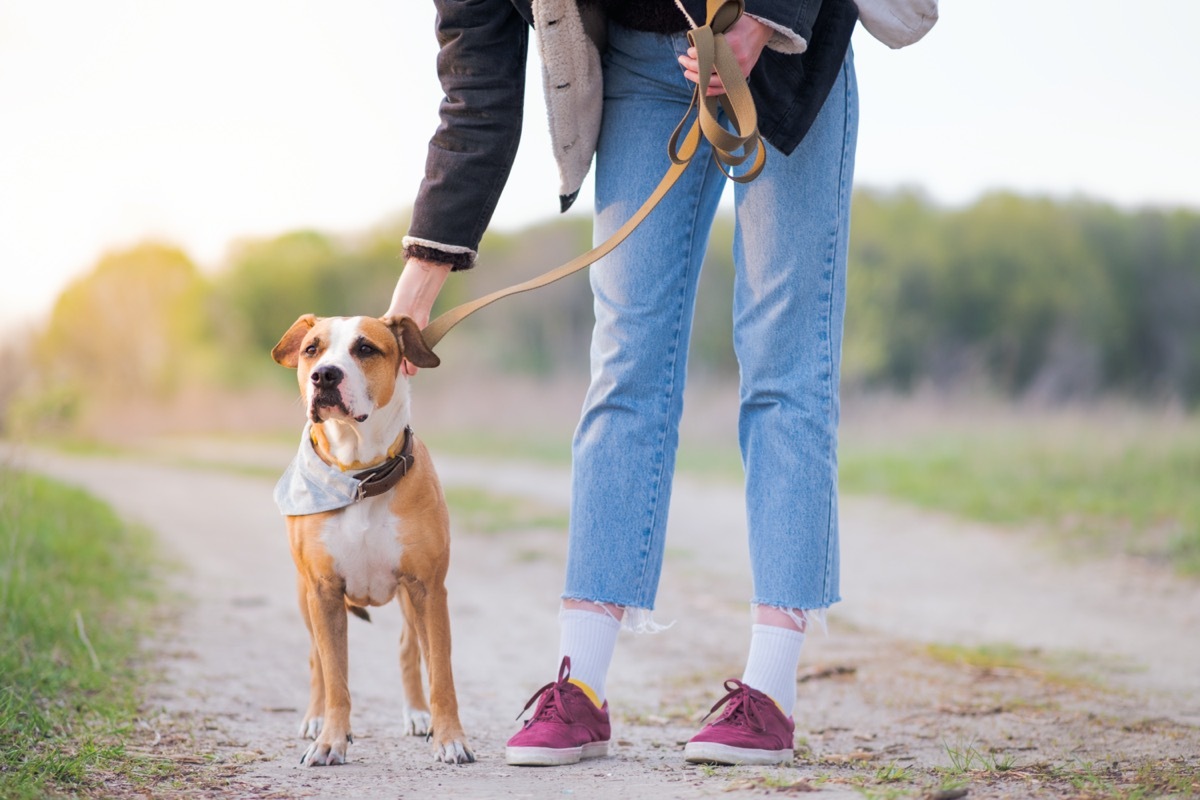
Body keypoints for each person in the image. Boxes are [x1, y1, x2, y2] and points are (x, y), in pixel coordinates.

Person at [387, 0, 929, 769]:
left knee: (785, 359)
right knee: (625, 360)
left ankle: (769, 691)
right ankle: (579, 685)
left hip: (784, 47)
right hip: (641, 66)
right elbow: (477, 91)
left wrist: (763, 21)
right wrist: (419, 282)